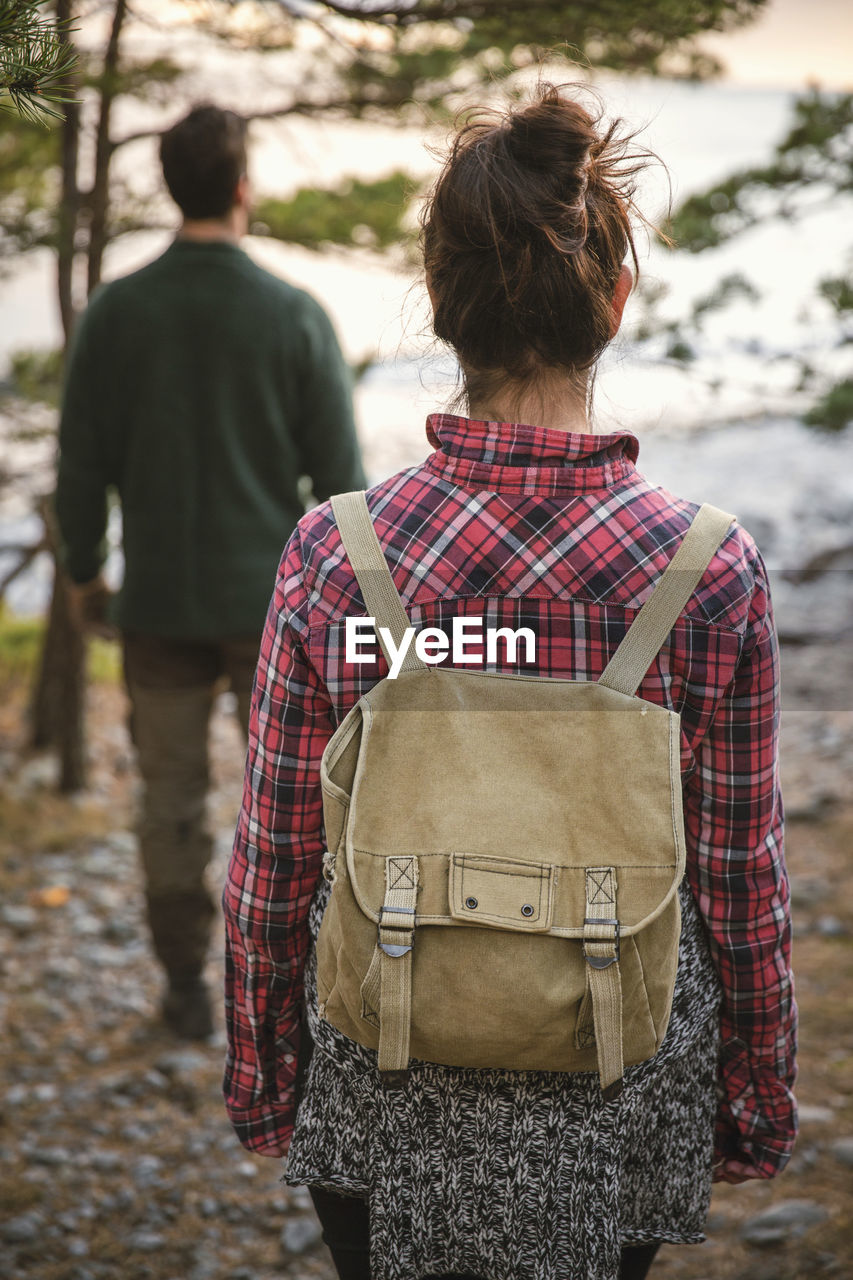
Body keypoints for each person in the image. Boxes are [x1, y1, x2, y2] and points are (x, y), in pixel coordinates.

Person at [222, 86, 797, 1280]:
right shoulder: (705, 569)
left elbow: (274, 861)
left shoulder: (340, 557)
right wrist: (753, 1091)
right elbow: (741, 875)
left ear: (440, 306)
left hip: (381, 1085)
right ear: (617, 302)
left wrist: (267, 1079)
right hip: (620, 1080)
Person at [55, 104, 366, 1041]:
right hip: (275, 618)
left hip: (155, 610)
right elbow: (344, 490)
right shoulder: (295, 314)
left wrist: (82, 577)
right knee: (300, 808)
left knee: (170, 804)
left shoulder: (116, 312)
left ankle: (185, 990)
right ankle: (298, 1000)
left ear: (168, 185)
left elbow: (80, 471)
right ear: (242, 187)